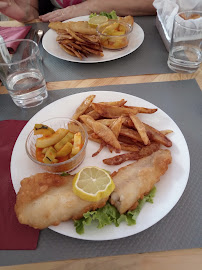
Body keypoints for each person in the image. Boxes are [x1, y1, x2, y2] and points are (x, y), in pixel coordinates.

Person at [0, 0, 156, 23]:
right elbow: (34, 10)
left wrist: (90, 6)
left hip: (132, 35)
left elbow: (156, 4)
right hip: (60, 54)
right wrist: (27, 14)